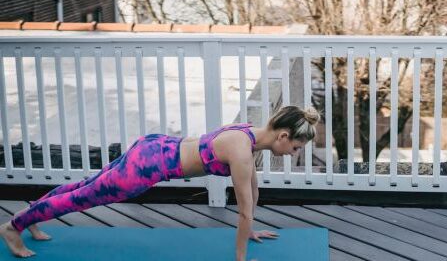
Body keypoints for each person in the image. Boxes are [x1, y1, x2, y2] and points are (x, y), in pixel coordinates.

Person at [0, 105, 320, 260]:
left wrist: (250, 231)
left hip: (156, 146)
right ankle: (14, 226)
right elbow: (244, 210)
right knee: (84, 197)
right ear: (283, 135)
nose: (293, 155)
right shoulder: (242, 151)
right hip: (147, 166)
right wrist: (240, 256)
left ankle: (32, 218)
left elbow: (253, 189)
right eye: (295, 148)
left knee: (85, 186)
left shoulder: (249, 133)